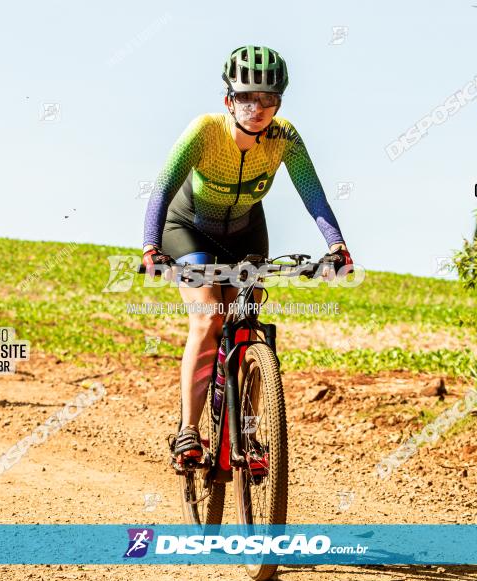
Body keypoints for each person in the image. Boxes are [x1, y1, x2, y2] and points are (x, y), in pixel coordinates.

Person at [140, 45, 354, 461]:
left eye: (268, 99)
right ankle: (188, 430)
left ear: (278, 103)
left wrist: (337, 246)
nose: (257, 107)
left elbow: (314, 196)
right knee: (208, 318)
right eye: (246, 97)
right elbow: (162, 189)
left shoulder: (284, 138)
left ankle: (248, 431)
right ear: (228, 100)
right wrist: (150, 246)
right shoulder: (205, 130)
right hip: (188, 230)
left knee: (249, 325)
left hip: (245, 234)